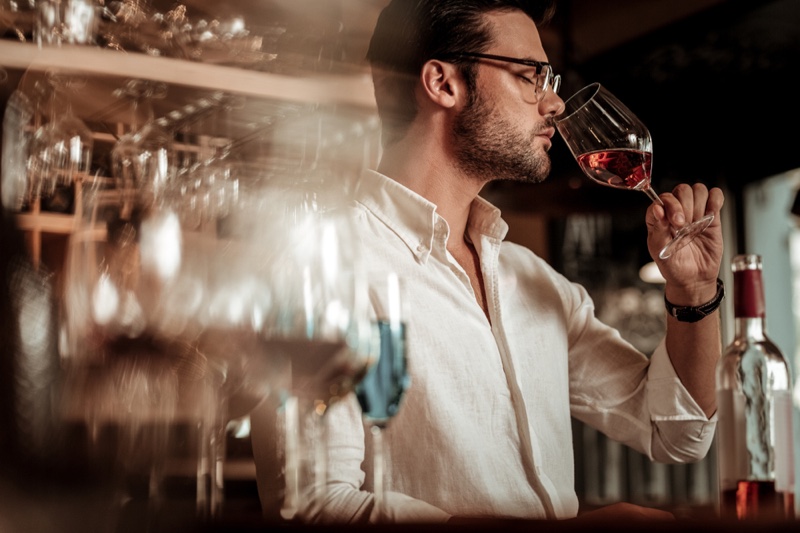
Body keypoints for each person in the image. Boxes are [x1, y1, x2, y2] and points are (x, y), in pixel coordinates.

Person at [250, 0, 725, 524]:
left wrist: (695, 294)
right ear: (443, 83)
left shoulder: (534, 281)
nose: (555, 105)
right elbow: (313, 507)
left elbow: (676, 432)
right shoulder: (319, 265)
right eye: (531, 76)